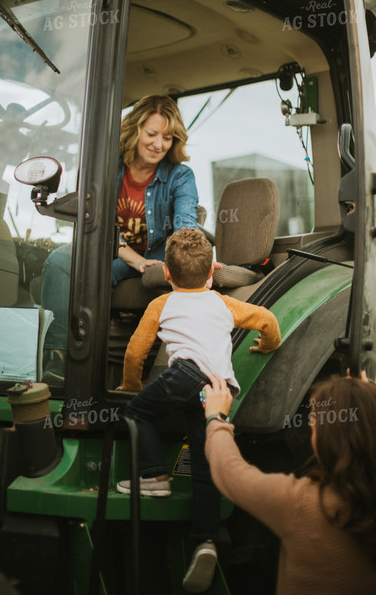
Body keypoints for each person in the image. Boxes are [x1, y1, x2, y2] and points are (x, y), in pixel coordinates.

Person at [116, 227, 281, 593]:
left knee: (137, 413)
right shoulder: (224, 303)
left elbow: (134, 353)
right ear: (212, 273)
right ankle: (205, 541)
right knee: (205, 468)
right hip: (218, 390)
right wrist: (268, 345)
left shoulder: (161, 304)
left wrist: (132, 386)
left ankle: (155, 476)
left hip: (186, 375)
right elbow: (267, 320)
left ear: (169, 275)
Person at [40, 94, 199, 385]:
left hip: (157, 255)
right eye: (151, 134)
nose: (158, 144)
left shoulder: (180, 176)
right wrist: (133, 259)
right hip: (114, 252)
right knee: (59, 261)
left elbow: (184, 227)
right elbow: (96, 222)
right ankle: (57, 361)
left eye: (167, 137)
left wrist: (187, 260)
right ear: (134, 130)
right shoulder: (107, 169)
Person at [202, 372, 376, 595]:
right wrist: (365, 405)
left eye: (314, 427)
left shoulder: (301, 503)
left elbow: (229, 470)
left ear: (327, 440)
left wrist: (216, 418)